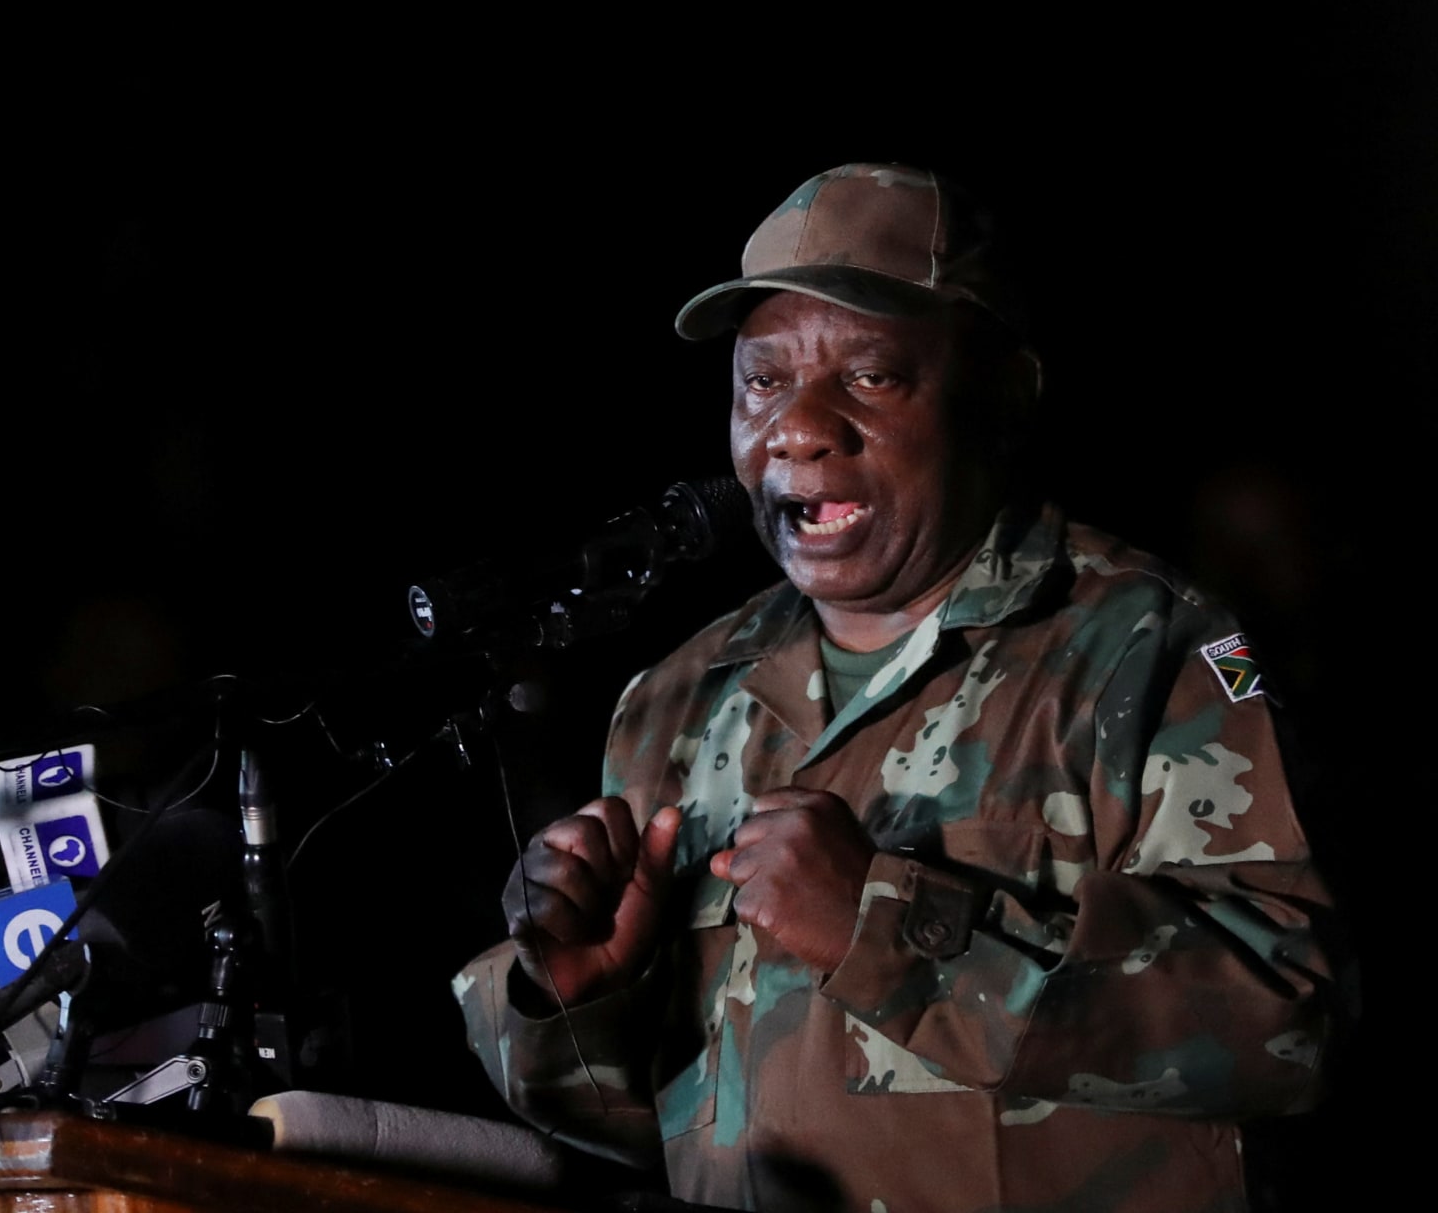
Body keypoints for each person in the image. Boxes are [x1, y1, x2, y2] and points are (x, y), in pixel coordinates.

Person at [451, 163, 1344, 1212]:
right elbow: (653, 1122)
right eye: (762, 380)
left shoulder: (1156, 648)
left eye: (870, 376)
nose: (798, 427)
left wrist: (886, 927)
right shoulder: (675, 699)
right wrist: (571, 999)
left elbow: (1291, 1028)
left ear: (1004, 396)